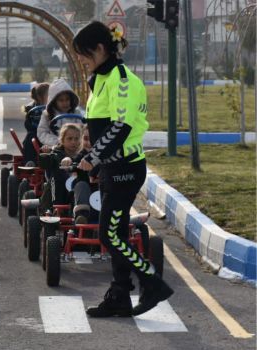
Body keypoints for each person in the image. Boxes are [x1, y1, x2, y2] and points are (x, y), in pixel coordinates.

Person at [73, 21, 173, 317]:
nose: (80, 58)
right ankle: (119, 294)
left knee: (109, 235)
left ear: (101, 49)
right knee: (113, 232)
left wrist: (93, 157)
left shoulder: (122, 80)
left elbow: (120, 127)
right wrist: (96, 163)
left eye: (83, 52)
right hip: (111, 168)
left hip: (126, 168)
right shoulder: (100, 79)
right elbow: (100, 125)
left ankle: (152, 282)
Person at [60, 125, 99, 224]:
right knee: (81, 185)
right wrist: (67, 160)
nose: (89, 143)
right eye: (86, 139)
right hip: (82, 196)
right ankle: (81, 215)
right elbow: (73, 160)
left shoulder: (107, 157)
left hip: (101, 195)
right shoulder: (81, 156)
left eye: (93, 139)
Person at [42, 124, 82, 211]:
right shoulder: (57, 153)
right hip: (58, 185)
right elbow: (54, 161)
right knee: (56, 180)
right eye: (69, 139)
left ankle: (81, 211)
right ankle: (55, 209)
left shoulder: (82, 154)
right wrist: (48, 154)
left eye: (76, 139)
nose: (73, 142)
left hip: (76, 186)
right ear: (62, 140)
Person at [36, 78, 82, 153]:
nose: (65, 103)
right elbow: (42, 133)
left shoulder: (76, 113)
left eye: (67, 99)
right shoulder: (47, 115)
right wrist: (58, 142)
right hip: (55, 147)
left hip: (75, 146)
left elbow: (82, 130)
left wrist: (76, 140)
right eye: (61, 100)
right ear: (54, 101)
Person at [22, 83, 49, 165]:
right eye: (49, 94)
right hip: (37, 135)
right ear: (40, 97)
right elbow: (28, 125)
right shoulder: (32, 109)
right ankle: (30, 161)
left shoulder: (55, 106)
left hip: (52, 134)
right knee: (30, 138)